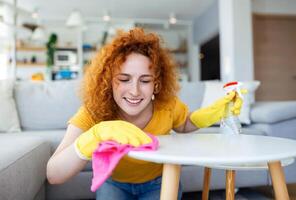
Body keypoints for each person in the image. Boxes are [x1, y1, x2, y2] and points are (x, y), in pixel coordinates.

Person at [46, 28, 243, 200]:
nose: (134, 91)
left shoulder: (167, 106)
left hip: (158, 182)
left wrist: (214, 113)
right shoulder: (93, 111)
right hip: (113, 183)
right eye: (124, 79)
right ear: (107, 80)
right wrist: (95, 135)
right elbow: (53, 174)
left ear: (156, 84)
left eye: (145, 81)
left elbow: (184, 124)